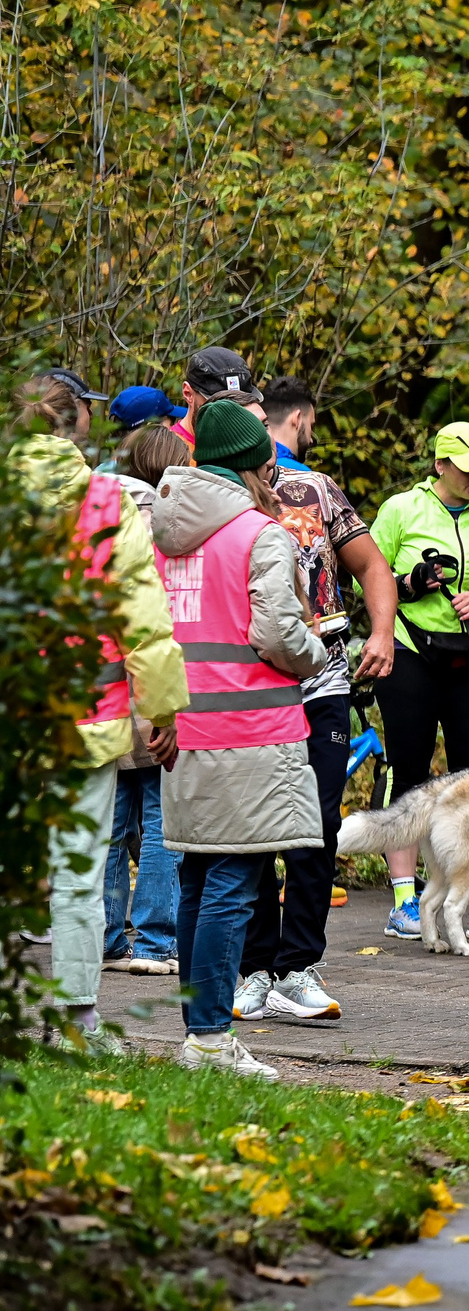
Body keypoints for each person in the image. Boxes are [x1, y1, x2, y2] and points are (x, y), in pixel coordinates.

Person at [151, 399, 329, 1078]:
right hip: (254, 730)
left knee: (200, 878)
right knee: (233, 883)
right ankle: (209, 1041)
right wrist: (317, 652)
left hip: (188, 727)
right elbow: (276, 634)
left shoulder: (167, 530)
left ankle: (199, 1031)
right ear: (260, 465)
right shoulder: (261, 533)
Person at [17, 371, 184, 1052]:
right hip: (87, 714)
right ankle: (76, 1022)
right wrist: (161, 705)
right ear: (78, 421)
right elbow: (142, 615)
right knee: (79, 875)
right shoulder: (106, 500)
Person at [236, 384, 399, 1024]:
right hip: (248, 690)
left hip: (322, 685)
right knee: (250, 832)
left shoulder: (317, 491)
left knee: (316, 823)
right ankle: (253, 968)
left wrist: (381, 632)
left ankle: (298, 966)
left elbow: (374, 566)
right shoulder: (212, 500)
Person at [370, 422, 469, 945]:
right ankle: (404, 899)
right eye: (466, 469)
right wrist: (408, 584)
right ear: (440, 465)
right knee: (412, 774)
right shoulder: (401, 509)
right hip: (411, 652)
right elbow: (364, 573)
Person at [102, 424, 194, 978]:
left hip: (106, 686)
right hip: (156, 679)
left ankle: (108, 936)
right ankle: (156, 940)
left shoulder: (97, 517)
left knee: (112, 820)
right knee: (162, 817)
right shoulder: (173, 526)